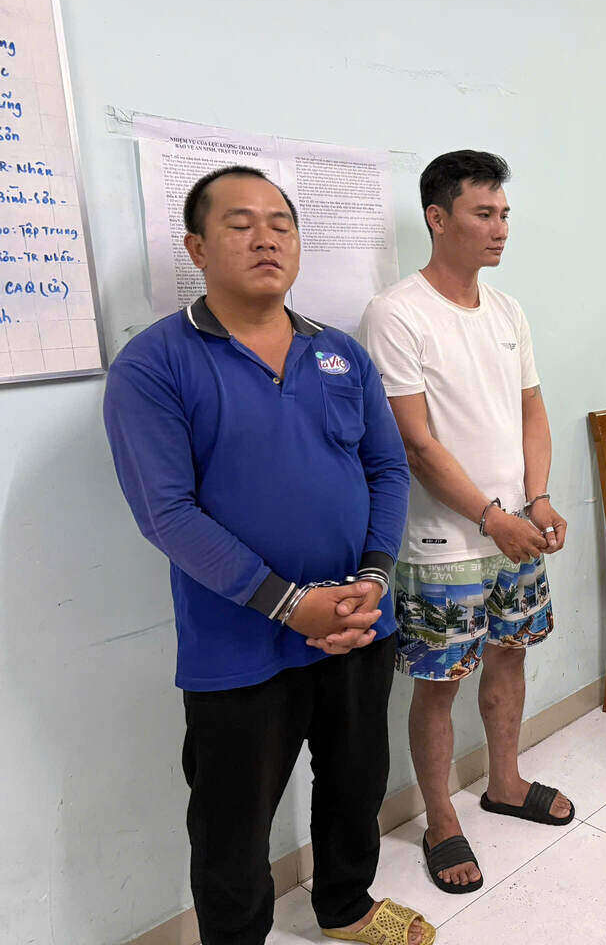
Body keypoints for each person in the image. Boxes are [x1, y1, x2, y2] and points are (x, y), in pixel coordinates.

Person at [103, 166, 432, 945]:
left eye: (281, 223)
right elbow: (167, 514)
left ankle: (346, 908)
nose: (267, 238)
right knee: (231, 822)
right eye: (241, 223)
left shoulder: (341, 355)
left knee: (356, 785)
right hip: (239, 643)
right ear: (196, 245)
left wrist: (374, 579)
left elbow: (386, 468)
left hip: (359, 624)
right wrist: (290, 603)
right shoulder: (154, 365)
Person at [358, 150, 573, 896]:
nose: (500, 228)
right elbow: (414, 442)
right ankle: (441, 817)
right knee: (439, 684)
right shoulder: (396, 314)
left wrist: (535, 499)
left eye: (504, 213)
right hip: (442, 543)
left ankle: (506, 781)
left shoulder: (508, 310)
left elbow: (532, 409)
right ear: (438, 218)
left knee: (511, 657)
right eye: (484, 214)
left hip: (517, 531)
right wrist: (490, 515)